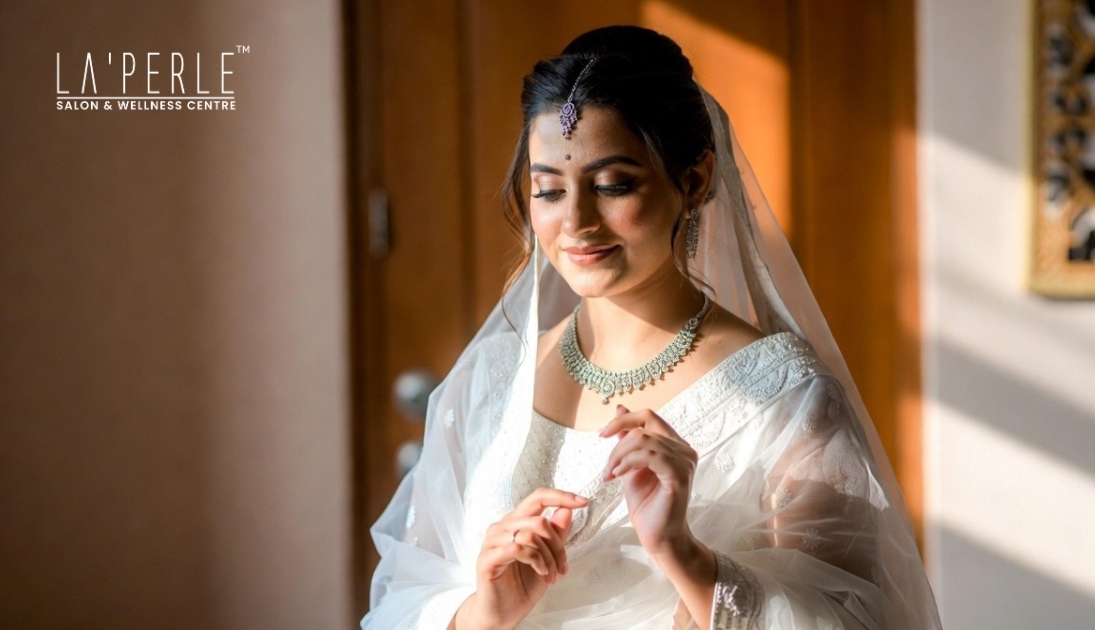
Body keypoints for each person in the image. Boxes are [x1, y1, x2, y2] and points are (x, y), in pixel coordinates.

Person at [362, 25, 941, 630]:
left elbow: (855, 619)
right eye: (549, 190)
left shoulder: (784, 396)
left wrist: (685, 555)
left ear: (693, 180)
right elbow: (404, 593)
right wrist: (483, 612)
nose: (576, 221)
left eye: (614, 185)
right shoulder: (491, 377)